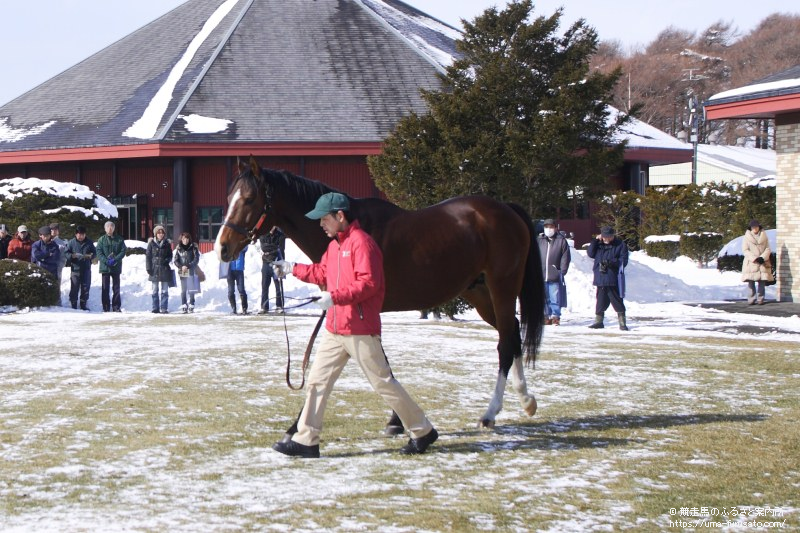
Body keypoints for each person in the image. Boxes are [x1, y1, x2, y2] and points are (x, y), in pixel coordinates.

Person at [271, 192, 437, 458]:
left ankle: (423, 430)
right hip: (336, 328)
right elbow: (322, 272)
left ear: (340, 216)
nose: (321, 224)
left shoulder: (363, 244)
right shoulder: (334, 246)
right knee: (317, 382)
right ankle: (306, 440)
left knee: (383, 383)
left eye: (325, 219)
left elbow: (368, 284)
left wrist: (334, 297)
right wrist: (292, 268)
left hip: (359, 328)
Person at [587, 225, 629, 331]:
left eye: (608, 237)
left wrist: (611, 262)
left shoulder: (620, 245)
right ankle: (598, 321)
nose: (606, 239)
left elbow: (623, 261)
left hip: (612, 277)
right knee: (600, 300)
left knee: (616, 300)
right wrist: (595, 241)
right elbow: (590, 253)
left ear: (612, 236)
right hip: (600, 276)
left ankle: (622, 322)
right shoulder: (599, 244)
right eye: (604, 237)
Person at [537, 219, 571, 325]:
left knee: (554, 297)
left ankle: (555, 316)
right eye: (546, 227)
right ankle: (545, 316)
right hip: (541, 273)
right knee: (543, 297)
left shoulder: (561, 240)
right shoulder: (540, 240)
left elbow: (565, 257)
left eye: (551, 227)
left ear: (555, 228)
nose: (548, 229)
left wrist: (562, 270)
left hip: (554, 274)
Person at [96, 221, 126, 312]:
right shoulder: (101, 240)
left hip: (116, 267)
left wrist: (115, 260)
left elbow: (123, 251)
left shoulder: (119, 239)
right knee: (105, 288)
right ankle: (105, 307)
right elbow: (99, 252)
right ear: (105, 228)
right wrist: (106, 261)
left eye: (111, 226)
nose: (110, 228)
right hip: (105, 268)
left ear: (114, 228)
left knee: (116, 288)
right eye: (108, 226)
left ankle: (116, 306)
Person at [741, 219, 773, 305]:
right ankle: (751, 299)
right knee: (751, 282)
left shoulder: (764, 236)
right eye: (753, 227)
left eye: (756, 227)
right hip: (751, 262)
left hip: (762, 261)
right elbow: (745, 250)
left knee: (762, 281)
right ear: (750, 228)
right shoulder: (747, 237)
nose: (755, 229)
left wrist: (762, 257)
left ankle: (760, 299)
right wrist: (754, 258)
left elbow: (768, 248)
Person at [66, 225, 96, 310]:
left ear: (85, 234)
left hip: (86, 268)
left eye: (82, 234)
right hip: (75, 269)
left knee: (86, 287)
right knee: (74, 287)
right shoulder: (71, 242)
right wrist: (72, 256)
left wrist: (91, 256)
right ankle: (73, 303)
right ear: (76, 234)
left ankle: (83, 304)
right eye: (79, 234)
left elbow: (94, 252)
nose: (81, 236)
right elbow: (66, 253)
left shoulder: (89, 242)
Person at [146, 225, 174, 314]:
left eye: (162, 233)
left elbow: (170, 255)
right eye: (159, 233)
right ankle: (155, 308)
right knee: (155, 290)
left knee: (164, 290)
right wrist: (148, 268)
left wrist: (166, 260)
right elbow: (148, 257)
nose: (160, 234)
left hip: (165, 269)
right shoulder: (151, 244)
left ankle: (164, 308)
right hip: (154, 269)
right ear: (155, 234)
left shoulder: (167, 244)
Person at [258, 226, 285, 313]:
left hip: (277, 262)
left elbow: (280, 249)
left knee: (278, 286)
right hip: (266, 263)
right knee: (264, 286)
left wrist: (270, 251)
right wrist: (274, 248)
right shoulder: (263, 235)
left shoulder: (280, 235)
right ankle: (264, 307)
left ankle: (279, 306)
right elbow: (263, 248)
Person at [173, 231, 200, 313]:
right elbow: (176, 260)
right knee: (183, 289)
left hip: (191, 270)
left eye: (187, 238)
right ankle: (184, 304)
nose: (185, 240)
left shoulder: (193, 247)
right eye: (184, 238)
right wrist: (181, 266)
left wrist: (188, 265)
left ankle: (192, 304)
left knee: (191, 289)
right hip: (182, 270)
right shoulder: (178, 248)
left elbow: (196, 259)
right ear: (181, 239)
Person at [227, 247, 248, 314]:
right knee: (230, 291)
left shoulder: (241, 244)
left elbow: (245, 248)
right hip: (229, 270)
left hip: (239, 269)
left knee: (241, 290)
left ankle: (244, 308)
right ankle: (234, 308)